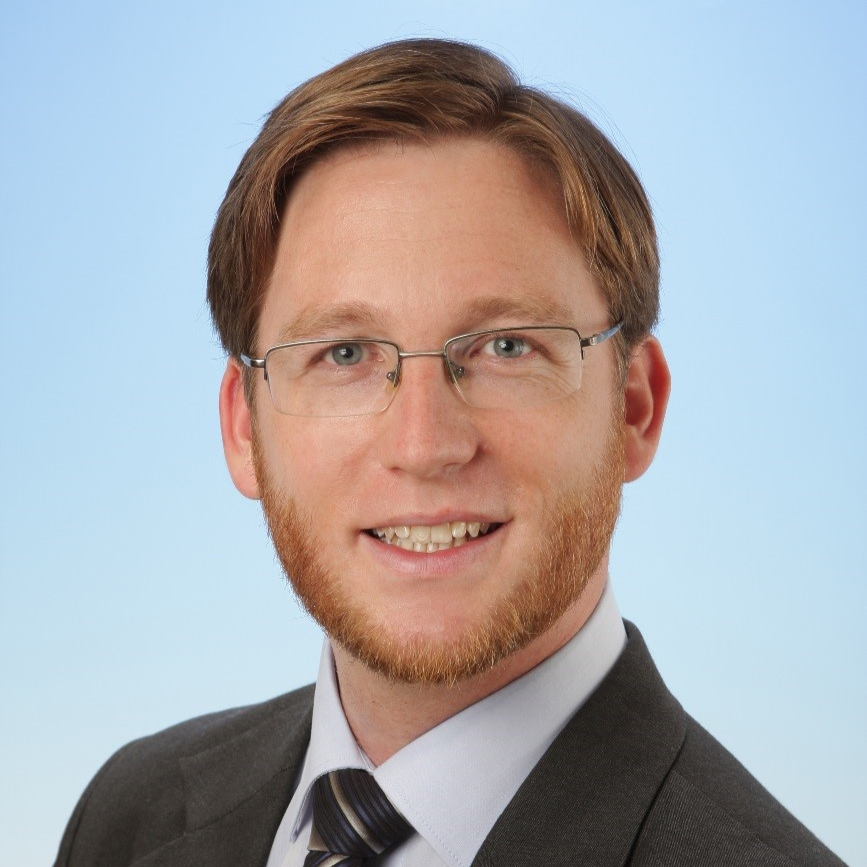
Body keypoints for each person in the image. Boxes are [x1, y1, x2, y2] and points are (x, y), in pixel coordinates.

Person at [53, 38, 846, 867]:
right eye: (344, 354)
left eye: (506, 346)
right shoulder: (128, 817)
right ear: (243, 427)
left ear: (633, 409)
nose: (424, 444)